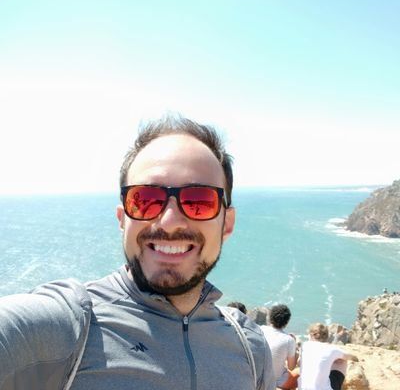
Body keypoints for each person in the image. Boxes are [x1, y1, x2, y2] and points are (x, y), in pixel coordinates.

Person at [0, 115, 275, 390]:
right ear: (123, 219)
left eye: (199, 201)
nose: (169, 222)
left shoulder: (250, 347)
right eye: (145, 200)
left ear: (227, 223)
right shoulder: (66, 328)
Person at [298, 322, 359, 390]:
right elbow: (352, 357)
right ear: (327, 336)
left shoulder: (304, 345)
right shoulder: (331, 349)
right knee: (342, 360)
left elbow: (299, 362)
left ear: (311, 335)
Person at [260, 304, 299, 390]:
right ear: (286, 322)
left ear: (270, 317)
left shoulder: (260, 329)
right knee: (299, 372)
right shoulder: (289, 340)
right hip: (277, 382)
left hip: (259, 377)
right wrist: (295, 349)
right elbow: (291, 367)